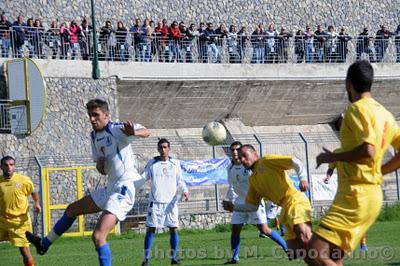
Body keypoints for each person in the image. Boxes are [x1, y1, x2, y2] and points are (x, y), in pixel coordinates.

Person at [26, 99, 151, 266]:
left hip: (124, 188)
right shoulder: (94, 136)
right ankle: (44, 244)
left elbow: (146, 131)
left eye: (96, 115)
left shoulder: (116, 129)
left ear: (106, 115)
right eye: (90, 115)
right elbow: (102, 168)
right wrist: (100, 166)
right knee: (72, 209)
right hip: (110, 188)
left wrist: (134, 133)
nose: (92, 119)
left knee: (98, 236)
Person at [307, 60, 400, 265]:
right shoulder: (386, 115)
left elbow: (368, 150)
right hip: (372, 197)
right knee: (333, 258)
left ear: (348, 84)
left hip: (354, 197)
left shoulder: (356, 109)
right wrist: (380, 171)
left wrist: (333, 157)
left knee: (314, 254)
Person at [223, 144, 311, 260]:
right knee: (296, 252)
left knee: (305, 237)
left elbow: (294, 161)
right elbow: (252, 206)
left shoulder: (266, 161)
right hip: (284, 209)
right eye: (240, 158)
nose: (242, 160)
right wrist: (234, 207)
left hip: (295, 201)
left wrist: (303, 178)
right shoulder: (253, 180)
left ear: (255, 154)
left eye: (245, 156)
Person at [224, 141, 287, 264]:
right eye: (232, 150)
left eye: (237, 149)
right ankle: (234, 258)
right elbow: (232, 185)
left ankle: (287, 247)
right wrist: (229, 199)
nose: (235, 152)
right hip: (239, 201)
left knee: (264, 230)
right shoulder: (229, 167)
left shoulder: (248, 165)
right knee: (235, 229)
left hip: (254, 200)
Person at [141, 138, 189, 266]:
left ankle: (173, 258)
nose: (163, 150)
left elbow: (180, 180)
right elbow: (142, 178)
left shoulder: (175, 164)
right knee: (151, 229)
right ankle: (146, 259)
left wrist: (185, 191)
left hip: (171, 203)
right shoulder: (152, 163)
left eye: (165, 147)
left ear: (169, 149)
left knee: (173, 229)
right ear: (157, 149)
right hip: (155, 203)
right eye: (161, 147)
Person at [0, 156, 41, 266]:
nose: (9, 167)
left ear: (15, 166)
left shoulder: (23, 180)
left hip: (20, 222)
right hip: (2, 221)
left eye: (11, 165)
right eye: (6, 165)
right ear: (1, 167)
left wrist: (37, 203)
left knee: (24, 251)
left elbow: (34, 191)